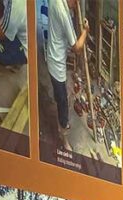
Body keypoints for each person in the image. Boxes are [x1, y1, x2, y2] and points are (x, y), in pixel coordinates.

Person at [44, 0, 88, 143]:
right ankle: (63, 135)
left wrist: (73, 11)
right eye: (76, 3)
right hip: (57, 66)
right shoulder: (63, 13)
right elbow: (76, 48)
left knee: (59, 95)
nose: (76, 6)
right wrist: (85, 32)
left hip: (51, 55)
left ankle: (57, 103)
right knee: (63, 102)